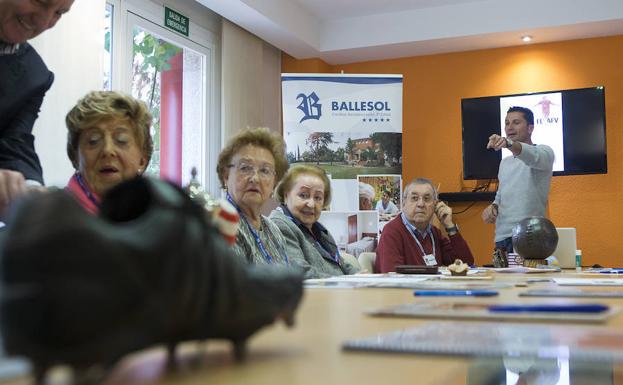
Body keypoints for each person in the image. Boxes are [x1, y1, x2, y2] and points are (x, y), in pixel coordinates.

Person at [0, 0, 74, 215]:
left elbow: (16, 141)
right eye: (40, 1)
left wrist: (30, 189)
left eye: (59, 13)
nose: (43, 22)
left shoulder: (36, 76)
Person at [65, 91, 153, 214]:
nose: (107, 150)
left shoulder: (160, 216)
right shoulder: (55, 219)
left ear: (143, 158)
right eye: (93, 141)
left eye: (121, 140)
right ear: (75, 156)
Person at [481, 106, 555, 253]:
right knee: (503, 277)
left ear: (530, 128)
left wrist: (508, 143)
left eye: (516, 122)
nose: (510, 127)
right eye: (507, 123)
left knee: (527, 277)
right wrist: (493, 207)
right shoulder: (505, 162)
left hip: (530, 236)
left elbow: (531, 156)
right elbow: (500, 196)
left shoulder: (544, 152)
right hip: (502, 238)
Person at [270, 165, 360, 278]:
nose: (311, 204)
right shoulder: (279, 225)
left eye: (318, 198)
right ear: (286, 195)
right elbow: (301, 274)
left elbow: (340, 263)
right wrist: (348, 281)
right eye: (303, 195)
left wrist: (360, 275)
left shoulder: (319, 230)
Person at [217, 127, 290, 266]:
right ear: (226, 176)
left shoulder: (273, 229)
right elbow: (234, 283)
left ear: (274, 182)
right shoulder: (221, 222)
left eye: (264, 170)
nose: (255, 178)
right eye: (245, 168)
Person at [375, 177, 474, 273]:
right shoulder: (392, 232)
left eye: (427, 199)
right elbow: (393, 277)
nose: (421, 204)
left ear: (435, 205)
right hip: (410, 290)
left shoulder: (434, 233)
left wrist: (450, 226)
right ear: (404, 203)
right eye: (414, 198)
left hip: (433, 288)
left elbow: (466, 264)